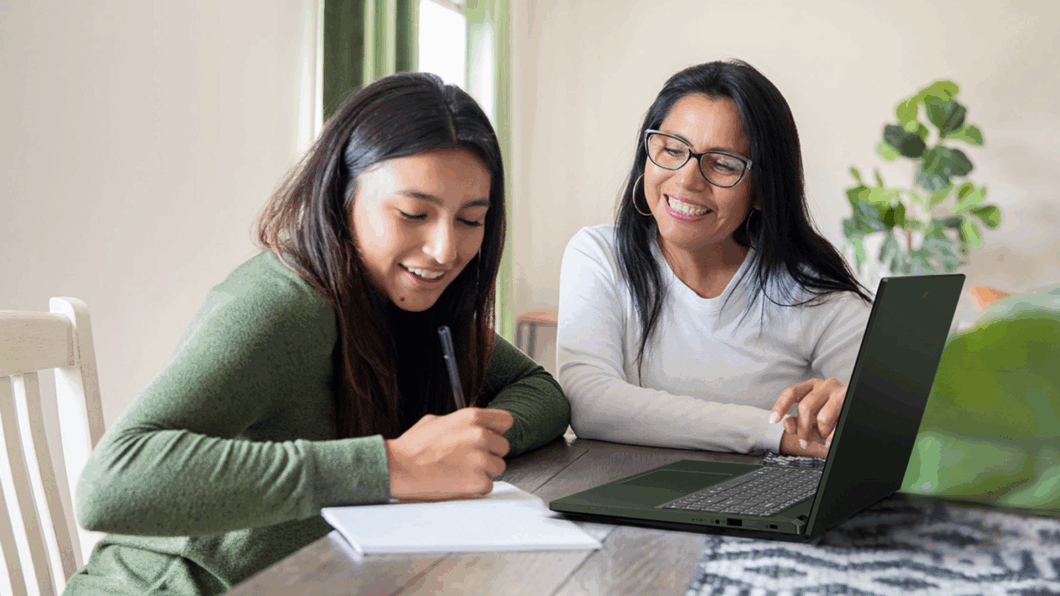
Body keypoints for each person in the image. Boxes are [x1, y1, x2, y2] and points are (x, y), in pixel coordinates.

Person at [65, 72, 570, 595]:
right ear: (340, 195)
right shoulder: (281, 305)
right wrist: (392, 464)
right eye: (413, 213)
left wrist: (466, 447)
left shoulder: (414, 303)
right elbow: (111, 483)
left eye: (470, 220)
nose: (445, 249)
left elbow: (543, 393)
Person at [557, 60, 872, 459]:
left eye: (723, 163)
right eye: (672, 149)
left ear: (763, 189)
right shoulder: (600, 256)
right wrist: (770, 432)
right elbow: (591, 405)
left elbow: (888, 416)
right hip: (621, 500)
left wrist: (854, 402)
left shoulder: (808, 293)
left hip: (761, 507)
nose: (687, 179)